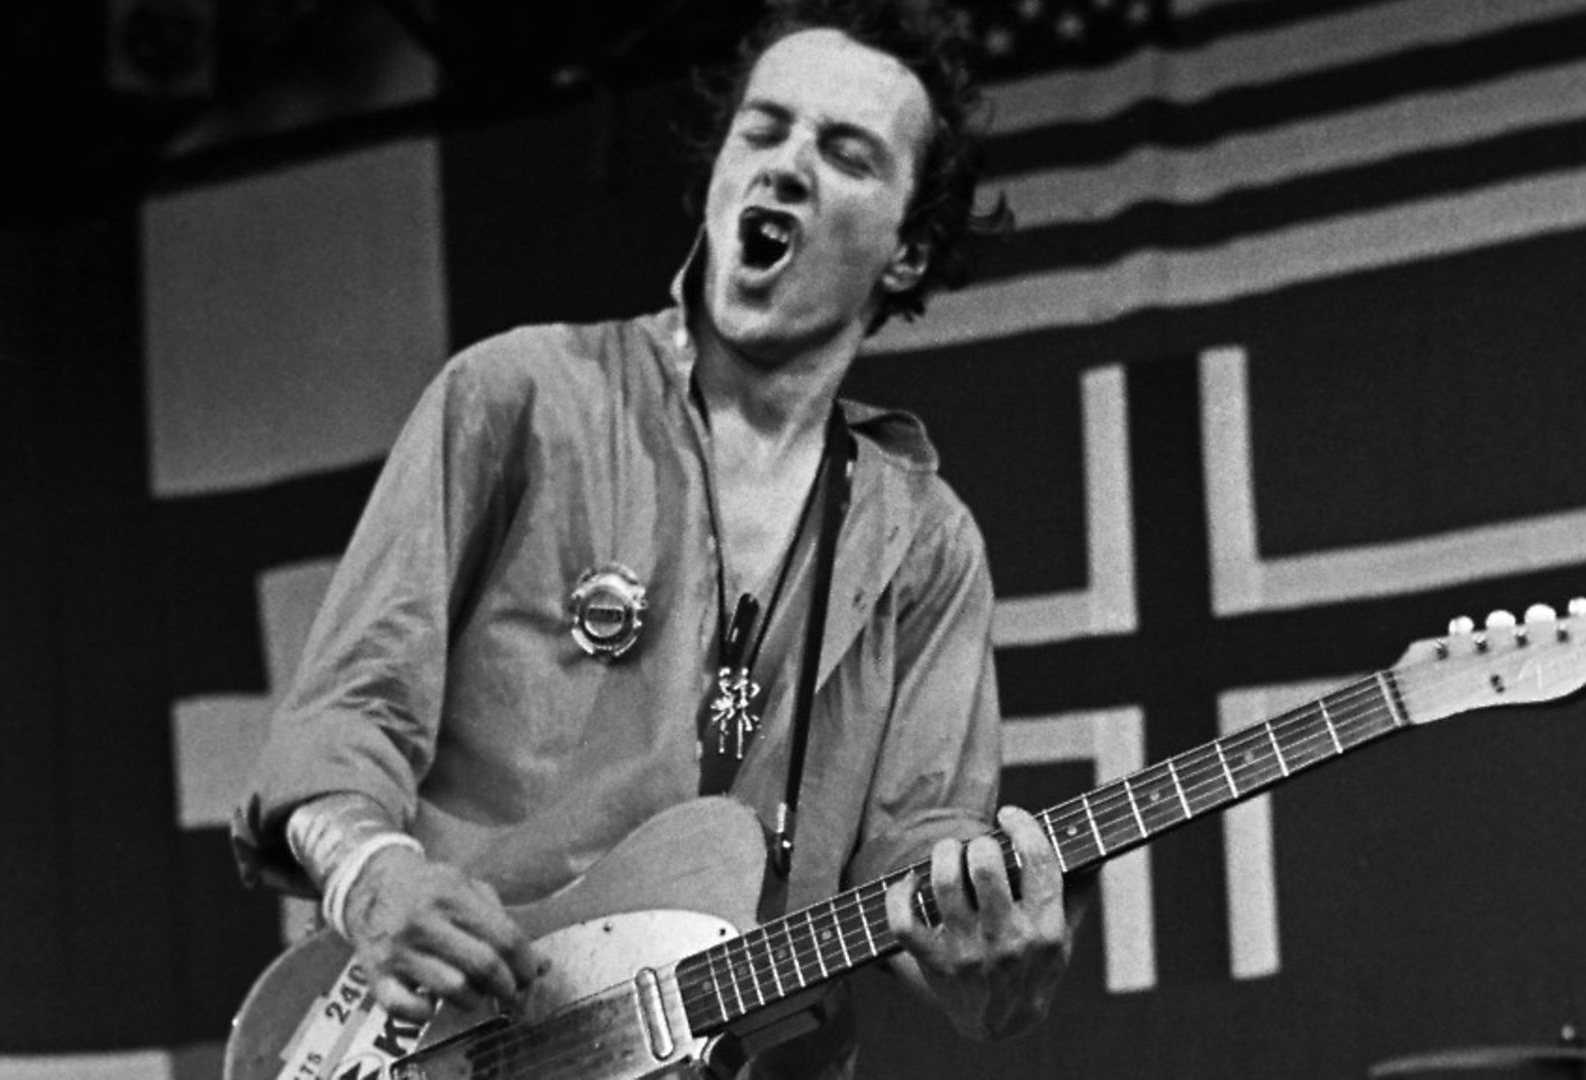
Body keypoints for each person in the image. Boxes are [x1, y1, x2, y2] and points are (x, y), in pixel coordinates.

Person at [231, 1, 1081, 1075]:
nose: (785, 166)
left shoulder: (925, 545)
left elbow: (919, 869)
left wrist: (993, 964)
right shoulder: (521, 398)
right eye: (762, 131)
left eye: (844, 153)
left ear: (906, 255)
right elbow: (343, 717)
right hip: (449, 1043)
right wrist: (371, 876)